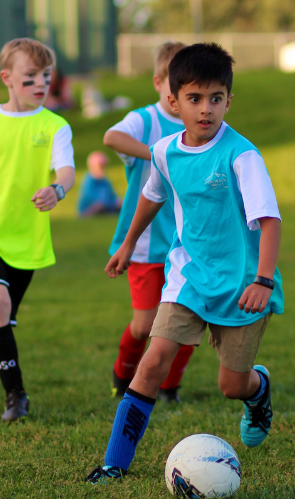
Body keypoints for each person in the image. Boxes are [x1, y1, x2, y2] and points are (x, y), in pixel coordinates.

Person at [85, 42, 284, 483]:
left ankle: (259, 388)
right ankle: (114, 463)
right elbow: (151, 196)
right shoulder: (164, 151)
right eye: (195, 99)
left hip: (243, 285)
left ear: (229, 100)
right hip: (188, 278)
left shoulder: (242, 155)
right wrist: (127, 243)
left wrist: (263, 281)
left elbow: (270, 221)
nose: (206, 109)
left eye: (216, 98)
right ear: (173, 101)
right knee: (153, 361)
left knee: (231, 386)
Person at [103, 42, 194, 403]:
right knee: (144, 326)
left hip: (189, 244)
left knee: (187, 321)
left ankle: (168, 386)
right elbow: (112, 137)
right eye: (175, 80)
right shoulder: (146, 120)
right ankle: (123, 372)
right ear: (158, 81)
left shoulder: (202, 123)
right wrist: (159, 155)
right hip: (143, 244)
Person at [0, 38, 75, 422]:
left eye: (46, 76)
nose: (41, 83)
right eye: (31, 76)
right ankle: (17, 397)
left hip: (26, 242)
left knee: (0, 322)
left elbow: (66, 172)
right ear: (7, 78)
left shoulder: (55, 126)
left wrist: (57, 189)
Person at [77, 151, 122, 217]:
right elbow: (92, 198)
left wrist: (118, 201)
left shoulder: (105, 181)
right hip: (90, 208)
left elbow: (112, 195)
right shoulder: (89, 180)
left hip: (106, 205)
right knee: (99, 205)